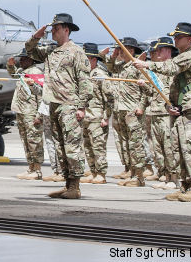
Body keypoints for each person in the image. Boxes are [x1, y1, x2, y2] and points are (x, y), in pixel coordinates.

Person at [134, 22, 191, 202]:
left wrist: (146, 65)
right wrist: (170, 106)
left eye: (179, 37)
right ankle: (185, 187)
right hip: (181, 109)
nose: (175, 39)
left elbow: (170, 68)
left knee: (190, 149)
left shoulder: (190, 56)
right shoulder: (182, 56)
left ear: (189, 39)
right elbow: (174, 86)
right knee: (179, 149)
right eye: (175, 36)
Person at [25, 13, 93, 199]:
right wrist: (37, 35)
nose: (53, 31)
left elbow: (85, 80)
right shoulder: (50, 51)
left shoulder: (76, 52)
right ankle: (67, 184)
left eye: (56, 28)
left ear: (66, 30)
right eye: (52, 28)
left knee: (72, 146)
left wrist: (82, 106)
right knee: (60, 147)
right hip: (53, 104)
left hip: (69, 105)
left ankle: (76, 186)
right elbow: (29, 50)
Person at [106, 37, 149, 187]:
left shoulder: (137, 66)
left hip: (133, 110)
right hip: (121, 109)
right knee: (126, 144)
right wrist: (113, 54)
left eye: (122, 49)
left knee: (135, 144)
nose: (120, 52)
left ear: (130, 50)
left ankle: (139, 177)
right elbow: (110, 68)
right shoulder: (121, 66)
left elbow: (147, 90)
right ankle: (131, 173)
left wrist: (141, 106)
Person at [145, 37, 179, 190]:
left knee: (169, 147)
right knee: (157, 149)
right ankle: (164, 176)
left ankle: (174, 177)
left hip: (167, 114)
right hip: (155, 112)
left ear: (168, 50)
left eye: (160, 49)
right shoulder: (155, 69)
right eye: (156, 50)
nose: (157, 52)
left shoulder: (174, 67)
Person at [7, 52, 44, 180]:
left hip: (31, 111)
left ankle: (37, 169)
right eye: (21, 59)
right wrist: (10, 66)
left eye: (24, 59)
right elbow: (14, 75)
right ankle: (31, 167)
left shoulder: (35, 72)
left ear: (31, 60)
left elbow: (41, 95)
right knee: (26, 140)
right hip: (22, 110)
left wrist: (39, 114)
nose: (21, 61)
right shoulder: (24, 71)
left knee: (34, 141)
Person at [80, 43, 113, 184]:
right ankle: (93, 171)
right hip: (86, 117)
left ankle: (101, 173)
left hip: (97, 117)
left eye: (86, 58)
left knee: (98, 147)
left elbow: (110, 97)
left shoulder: (100, 75)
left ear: (93, 59)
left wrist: (106, 117)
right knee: (87, 147)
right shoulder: (84, 75)